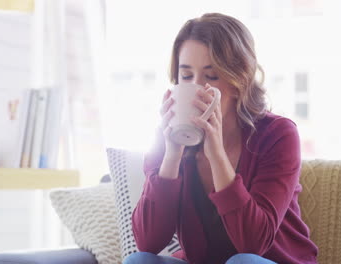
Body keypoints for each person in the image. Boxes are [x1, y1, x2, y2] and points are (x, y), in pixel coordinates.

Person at [123, 13, 318, 264]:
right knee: (138, 261)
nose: (197, 87)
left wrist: (216, 153)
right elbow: (148, 242)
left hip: (266, 261)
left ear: (239, 80)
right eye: (186, 76)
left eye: (211, 76)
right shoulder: (168, 136)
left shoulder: (277, 135)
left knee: (242, 262)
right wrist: (172, 154)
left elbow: (253, 244)